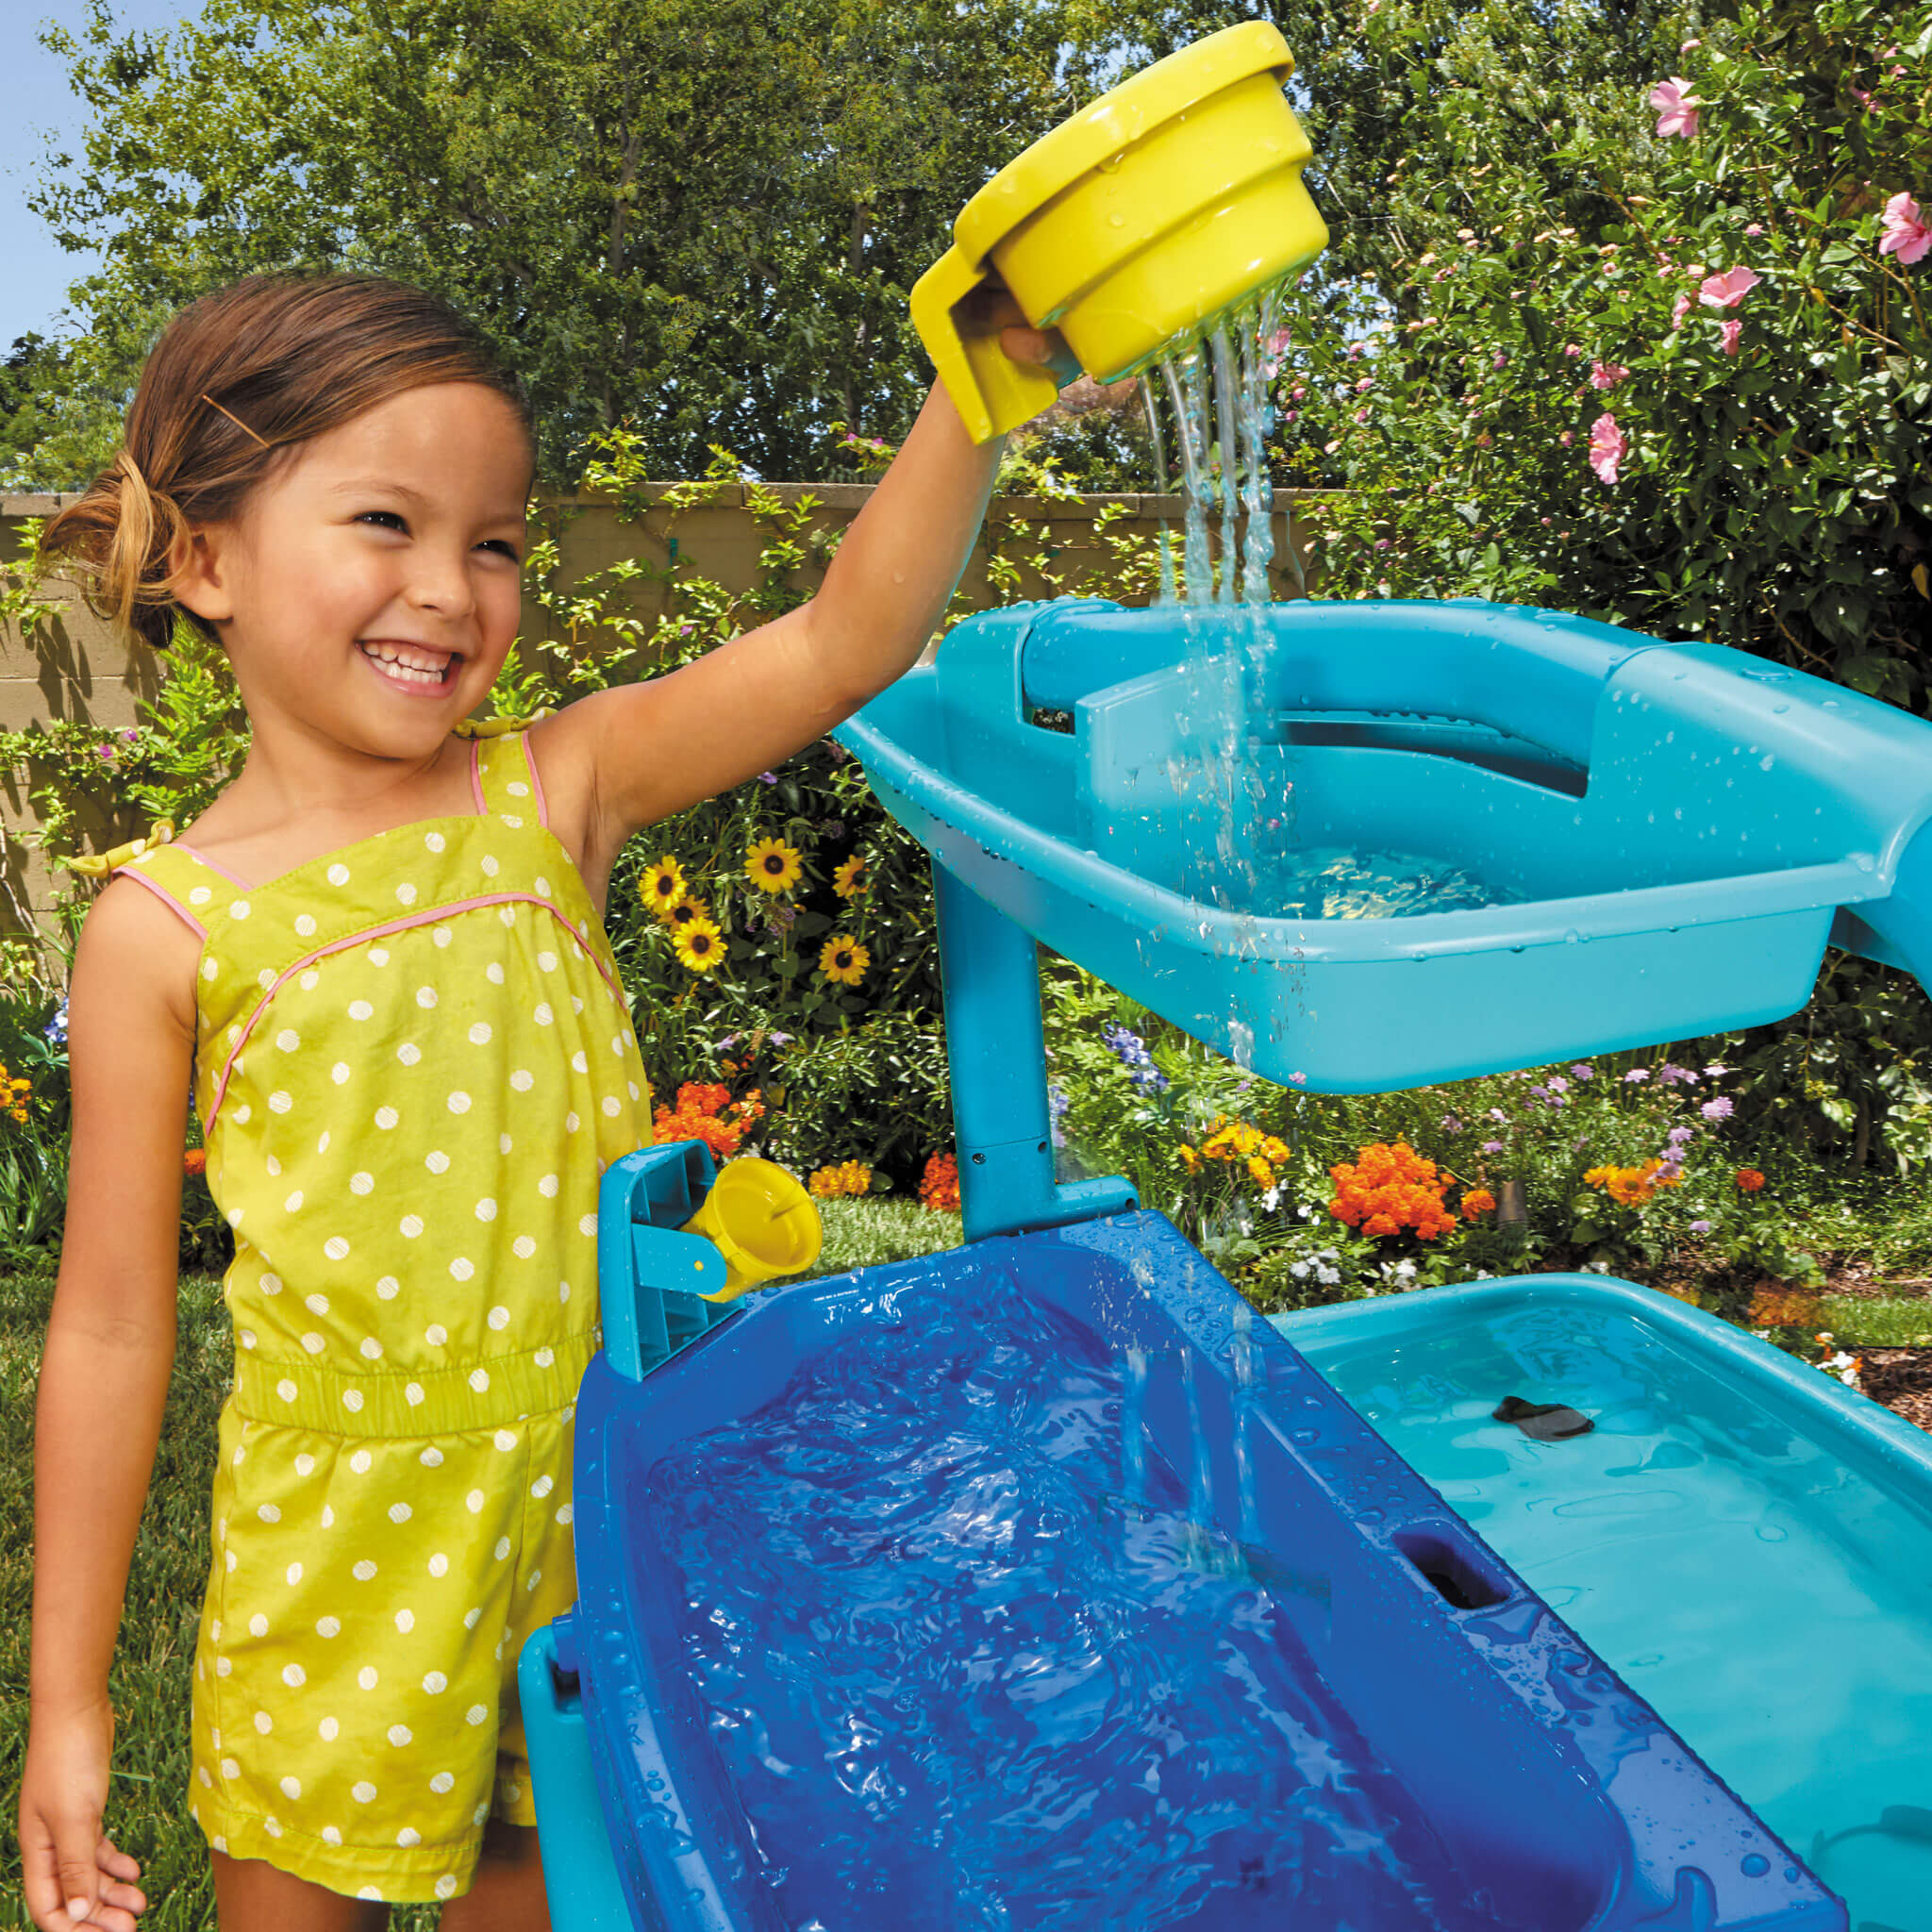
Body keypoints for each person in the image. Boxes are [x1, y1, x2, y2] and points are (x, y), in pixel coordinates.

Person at [18, 271, 1069, 1932]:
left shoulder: (553, 791)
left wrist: (975, 392)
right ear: (204, 559)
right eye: (386, 521)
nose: (448, 589)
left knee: (566, 1886)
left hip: (601, 1492)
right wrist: (68, 1707)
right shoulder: (165, 928)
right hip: (336, 1551)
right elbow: (108, 1329)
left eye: (494, 542)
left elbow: (843, 640)